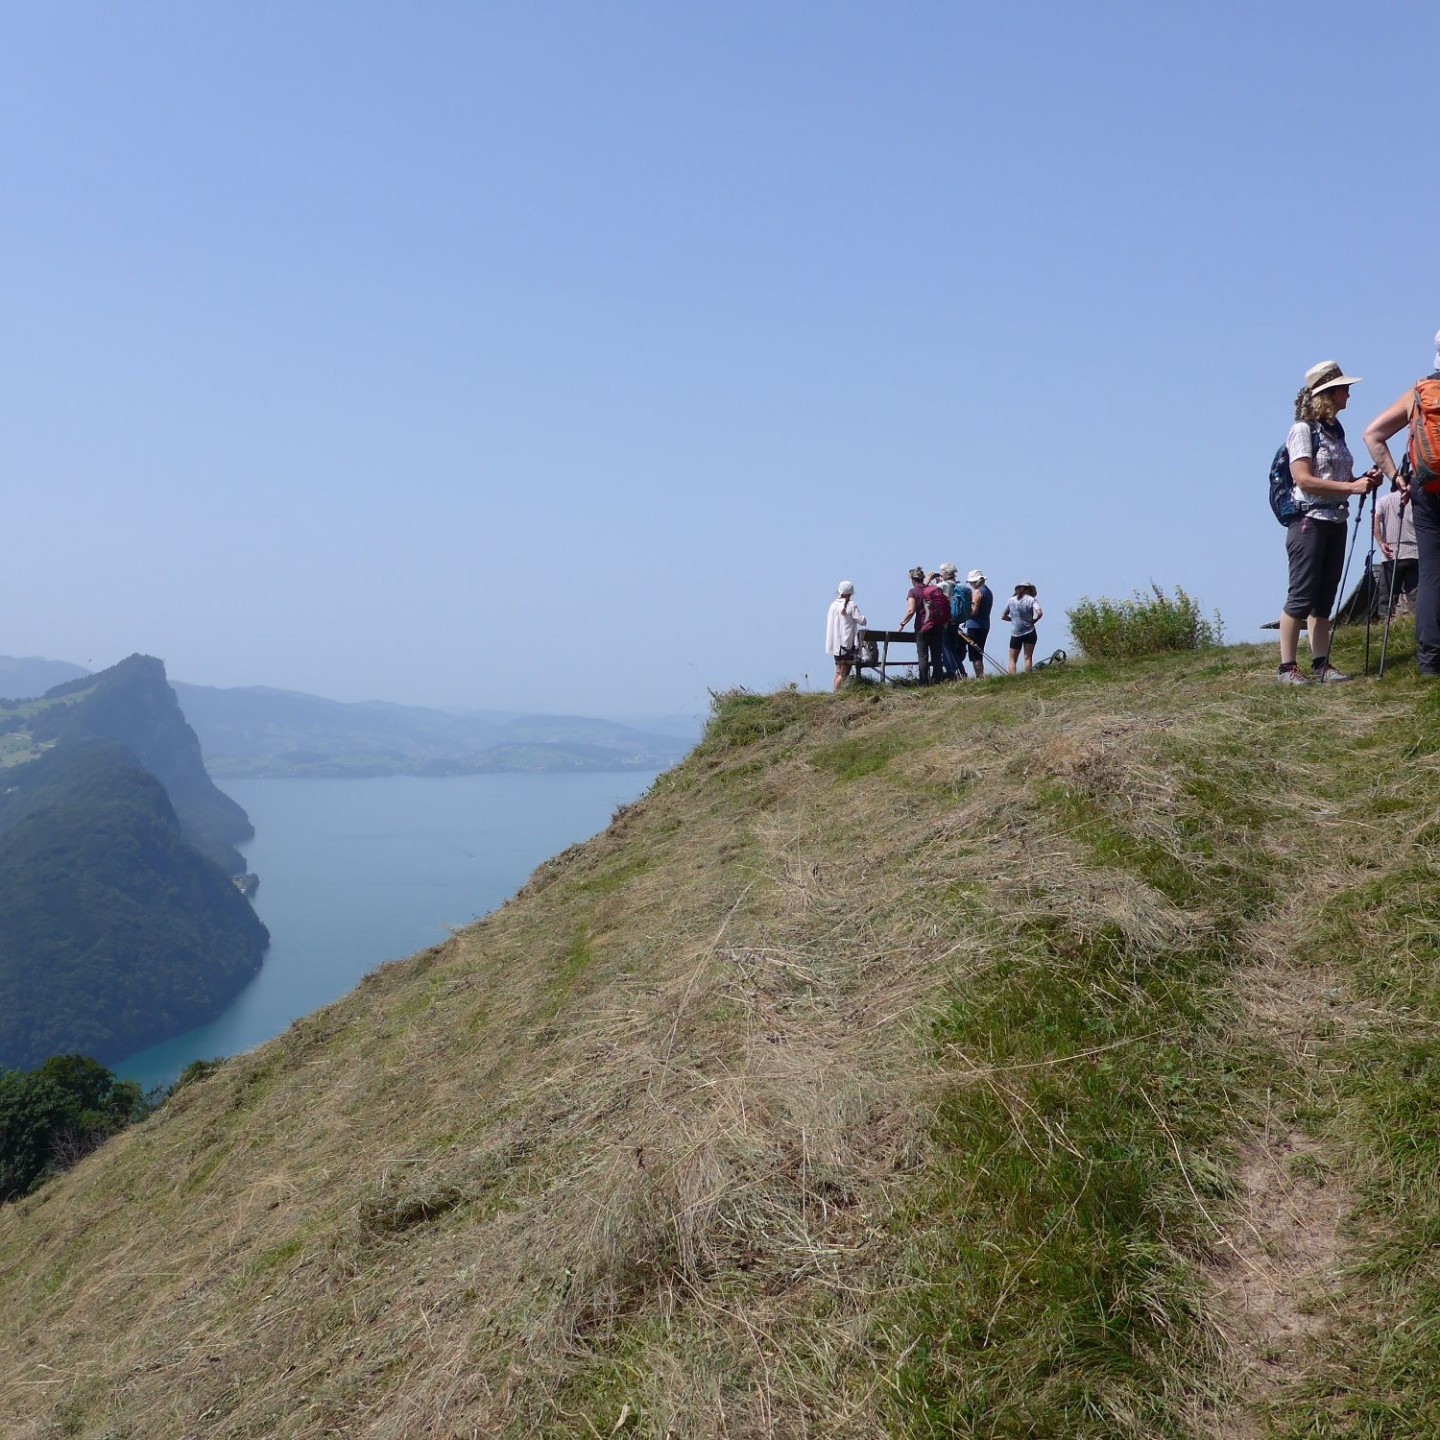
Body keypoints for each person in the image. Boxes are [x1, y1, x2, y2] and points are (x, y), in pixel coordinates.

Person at [1276, 360, 1381, 684]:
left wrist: (1361, 480)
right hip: (1309, 520)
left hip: (1335, 519)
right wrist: (1351, 487)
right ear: (1329, 393)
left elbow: (1335, 476)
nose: (1349, 393)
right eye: (1344, 388)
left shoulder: (1334, 430)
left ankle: (1321, 663)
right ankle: (1287, 667)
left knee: (1324, 597)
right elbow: (1304, 479)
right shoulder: (1302, 431)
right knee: (1302, 594)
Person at [1364, 330, 1440, 675]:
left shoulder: (1419, 394)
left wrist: (1398, 478)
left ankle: (1430, 661)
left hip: (1427, 489)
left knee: (1432, 573)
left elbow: (1373, 434)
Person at [1373, 483, 1418, 618]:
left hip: (1391, 553)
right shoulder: (1415, 500)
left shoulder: (1383, 500)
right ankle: (1414, 622)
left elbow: (1376, 525)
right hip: (1415, 553)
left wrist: (1381, 543)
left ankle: (1386, 622)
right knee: (1414, 595)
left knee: (1387, 594)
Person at [897, 566, 947, 684]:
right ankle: (937, 680)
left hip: (922, 626)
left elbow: (911, 610)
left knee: (923, 655)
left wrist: (902, 624)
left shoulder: (913, 591)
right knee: (936, 654)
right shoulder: (933, 589)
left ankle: (924, 682)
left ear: (912, 579)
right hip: (937, 626)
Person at [824, 581, 866, 690]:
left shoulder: (833, 605)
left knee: (838, 671)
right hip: (847, 644)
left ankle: (835, 693)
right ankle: (835, 694)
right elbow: (862, 621)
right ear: (850, 593)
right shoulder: (851, 605)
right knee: (844, 673)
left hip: (835, 645)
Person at [1001, 581, 1044, 675]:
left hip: (1016, 632)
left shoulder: (1011, 600)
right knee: (1028, 657)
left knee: (1012, 659)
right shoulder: (1032, 600)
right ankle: (1027, 676)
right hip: (1030, 631)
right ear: (1029, 590)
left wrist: (1012, 620)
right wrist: (1034, 620)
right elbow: (1040, 612)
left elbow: (1003, 616)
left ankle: (1012, 677)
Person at [963, 569, 994, 677]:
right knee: (979, 651)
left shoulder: (978, 592)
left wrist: (964, 614)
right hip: (985, 624)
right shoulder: (988, 591)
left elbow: (974, 610)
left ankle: (979, 675)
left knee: (974, 653)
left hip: (975, 626)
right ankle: (980, 675)